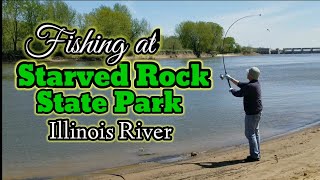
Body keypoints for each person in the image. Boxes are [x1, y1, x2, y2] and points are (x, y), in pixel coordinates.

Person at [225, 67, 263, 162]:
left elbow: (239, 93)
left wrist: (231, 90)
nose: (247, 74)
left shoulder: (251, 86)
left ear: (250, 75)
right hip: (257, 112)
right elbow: (240, 84)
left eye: (248, 73)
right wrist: (230, 78)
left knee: (250, 134)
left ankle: (254, 156)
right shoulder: (255, 83)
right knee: (255, 133)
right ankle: (257, 153)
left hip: (252, 114)